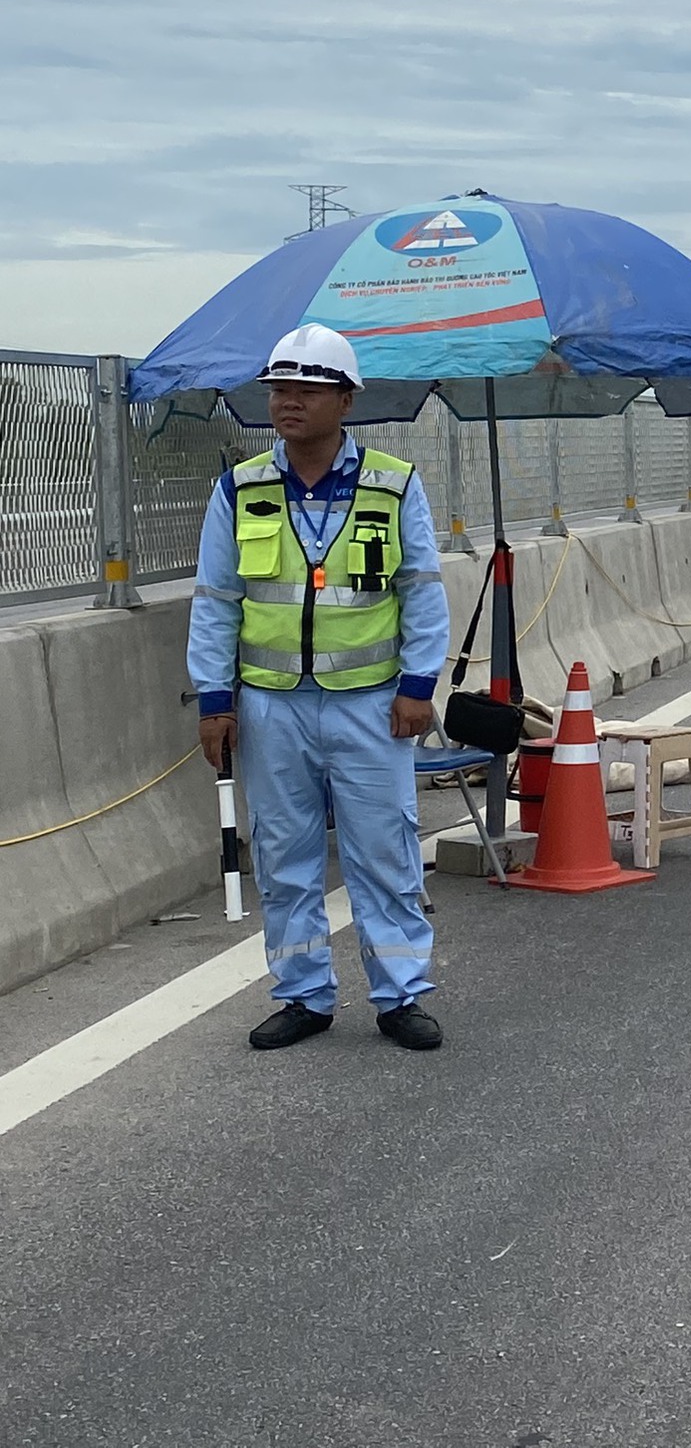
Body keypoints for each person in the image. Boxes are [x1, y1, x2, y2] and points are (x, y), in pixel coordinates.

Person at [189, 325, 452, 1051]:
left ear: (345, 399)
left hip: (372, 704)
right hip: (272, 706)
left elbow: (423, 593)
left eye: (305, 388)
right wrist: (215, 699)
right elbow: (215, 601)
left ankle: (400, 996)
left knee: (384, 853)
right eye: (278, 388)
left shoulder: (394, 486)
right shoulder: (239, 489)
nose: (287, 401)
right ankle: (303, 995)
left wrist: (416, 687)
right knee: (284, 854)